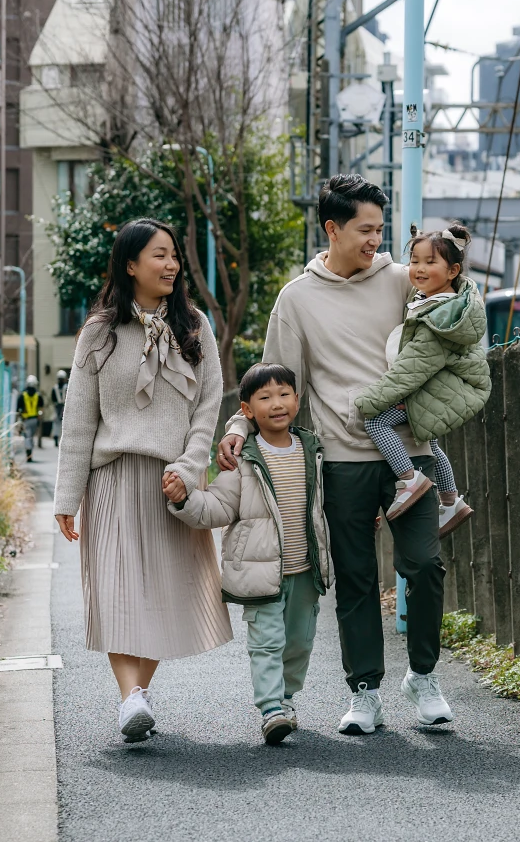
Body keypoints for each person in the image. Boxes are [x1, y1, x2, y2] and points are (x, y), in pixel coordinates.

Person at [218, 174, 453, 736]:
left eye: (380, 228)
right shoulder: (297, 299)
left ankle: (423, 675)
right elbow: (275, 381)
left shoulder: (401, 281)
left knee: (424, 564)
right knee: (353, 578)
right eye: (365, 229)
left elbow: (450, 325)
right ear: (332, 228)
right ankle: (365, 691)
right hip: (342, 459)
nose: (376, 239)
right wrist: (236, 426)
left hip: (410, 453)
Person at [54, 218, 231, 743]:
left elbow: (208, 408)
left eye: (174, 255)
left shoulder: (194, 326)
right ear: (129, 264)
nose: (171, 264)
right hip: (111, 480)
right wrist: (67, 496)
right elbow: (79, 420)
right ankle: (132, 697)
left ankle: (137, 695)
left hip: (173, 484)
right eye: (159, 255)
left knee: (163, 593)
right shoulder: (98, 333)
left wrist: (190, 467)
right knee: (115, 591)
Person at [164, 363, 331, 745]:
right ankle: (272, 709)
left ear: (298, 400)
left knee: (300, 642)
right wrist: (185, 498)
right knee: (266, 643)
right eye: (265, 397)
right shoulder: (242, 460)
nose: (277, 404)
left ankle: (287, 699)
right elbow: (218, 507)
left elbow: (326, 504)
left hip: (305, 570)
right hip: (258, 575)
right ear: (247, 409)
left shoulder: (312, 449)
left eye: (284, 394)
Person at [353, 225, 488, 537]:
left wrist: (369, 400)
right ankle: (451, 500)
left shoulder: (440, 315)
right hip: (440, 387)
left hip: (432, 388)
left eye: (430, 262)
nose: (419, 269)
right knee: (431, 442)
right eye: (414, 261)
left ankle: (408, 478)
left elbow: (412, 369)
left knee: (375, 422)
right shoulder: (438, 299)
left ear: (453, 270)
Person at [19, 376, 43, 462]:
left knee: (27, 437)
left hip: (26, 420)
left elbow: (19, 409)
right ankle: (30, 453)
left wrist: (19, 420)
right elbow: (41, 408)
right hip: (35, 420)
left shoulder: (23, 395)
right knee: (31, 437)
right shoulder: (38, 395)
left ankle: (28, 453)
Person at [50, 369, 69, 447]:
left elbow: (53, 398)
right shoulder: (67, 386)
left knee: (57, 423)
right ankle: (63, 439)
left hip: (58, 406)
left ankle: (56, 438)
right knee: (65, 423)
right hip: (65, 406)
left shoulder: (55, 388)